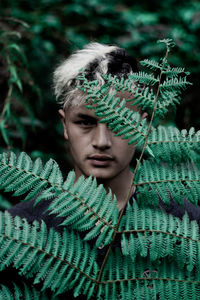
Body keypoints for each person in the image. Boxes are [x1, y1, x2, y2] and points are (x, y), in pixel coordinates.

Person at [6, 42, 200, 299]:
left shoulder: (187, 228)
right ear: (65, 125)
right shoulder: (17, 231)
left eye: (119, 123)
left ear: (142, 126)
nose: (101, 141)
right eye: (85, 122)